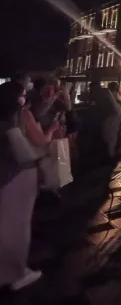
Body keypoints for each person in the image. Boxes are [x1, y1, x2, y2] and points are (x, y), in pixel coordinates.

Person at [0, 81, 59, 291]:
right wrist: (46, 148)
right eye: (23, 94)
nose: (25, 98)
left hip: (4, 177)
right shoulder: (14, 120)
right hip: (18, 178)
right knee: (17, 226)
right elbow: (27, 153)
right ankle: (16, 273)